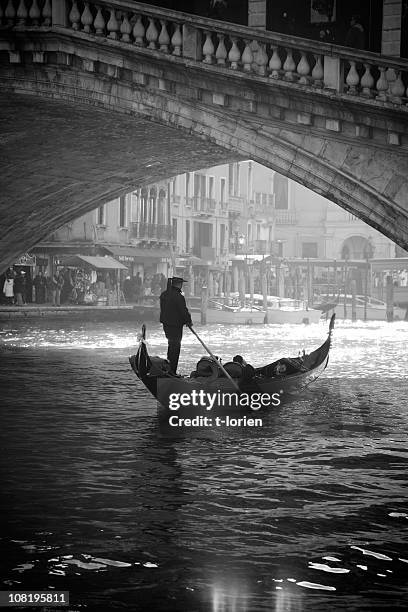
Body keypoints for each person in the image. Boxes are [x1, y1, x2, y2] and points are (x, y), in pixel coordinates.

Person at [159, 277, 193, 374]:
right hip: (175, 325)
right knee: (175, 347)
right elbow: (183, 311)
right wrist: (188, 321)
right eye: (181, 284)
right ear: (179, 284)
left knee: (171, 345)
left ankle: (169, 368)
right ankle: (172, 370)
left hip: (166, 324)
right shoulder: (179, 296)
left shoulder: (164, 295)